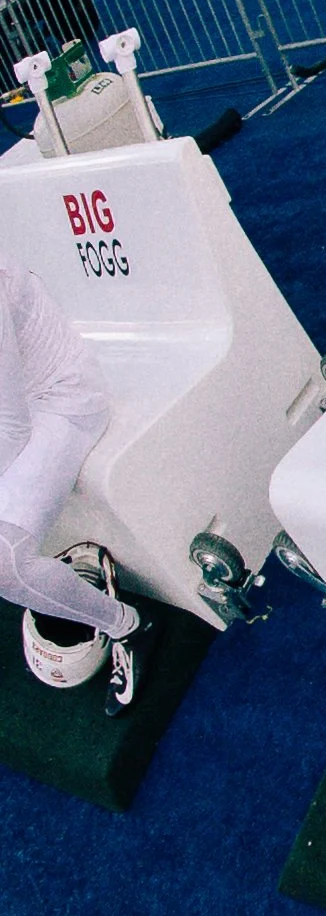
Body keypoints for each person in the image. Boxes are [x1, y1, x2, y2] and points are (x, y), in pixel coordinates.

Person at [0, 255, 159, 716]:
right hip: (14, 413)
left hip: (60, 404)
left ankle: (131, 626)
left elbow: (12, 429)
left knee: (6, 563)